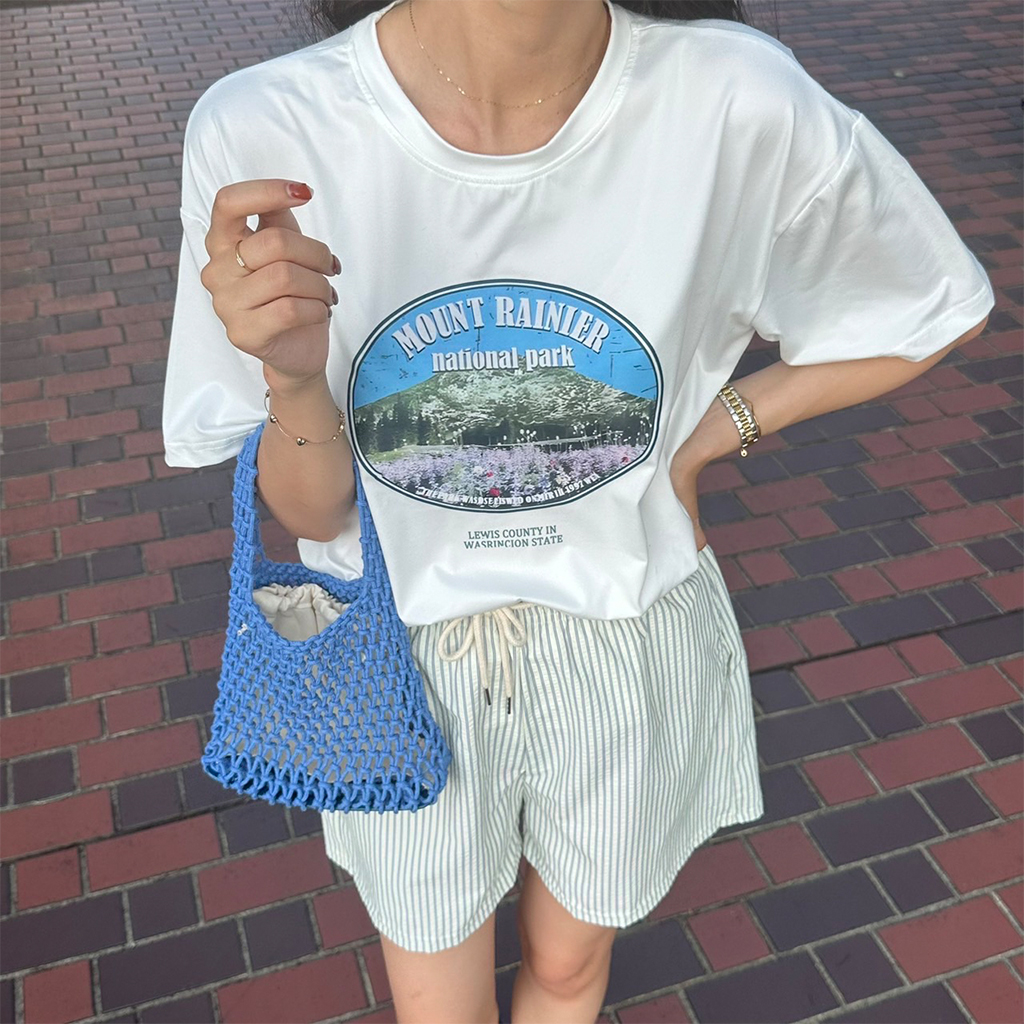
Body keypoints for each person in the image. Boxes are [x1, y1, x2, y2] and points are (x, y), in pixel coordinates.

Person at [161, 0, 994, 1020]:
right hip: (394, 652)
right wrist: (294, 381)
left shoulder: (735, 100)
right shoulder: (265, 127)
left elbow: (929, 303)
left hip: (625, 633)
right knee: (437, 999)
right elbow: (313, 508)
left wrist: (716, 429)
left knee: (568, 968)